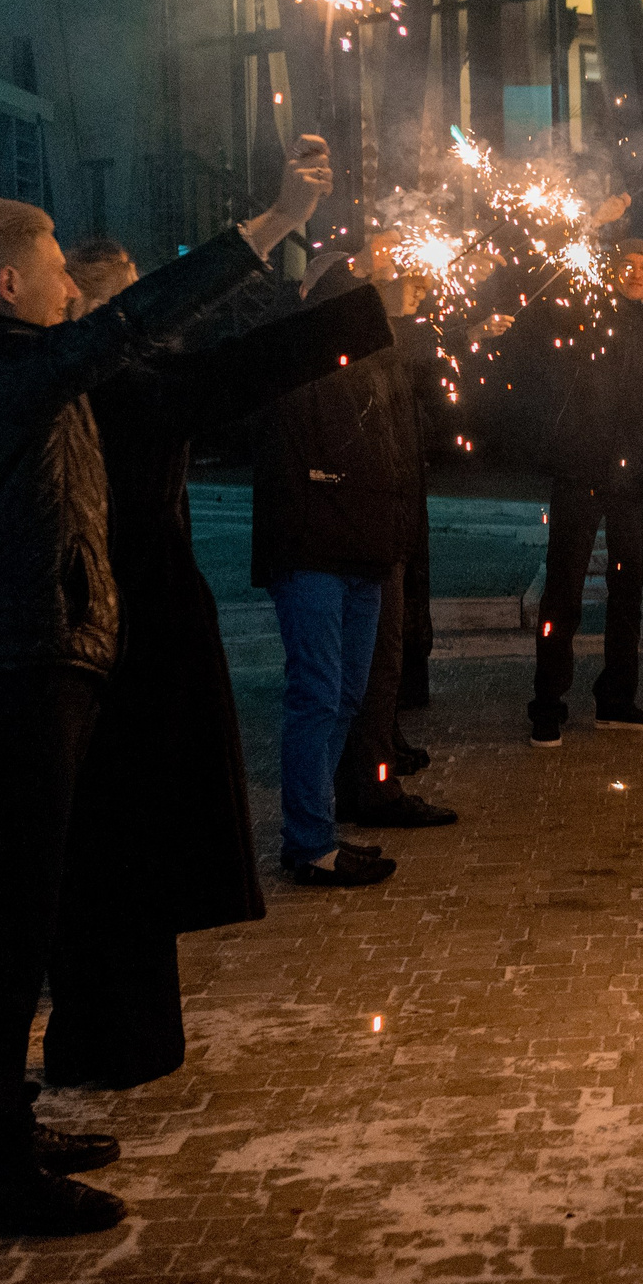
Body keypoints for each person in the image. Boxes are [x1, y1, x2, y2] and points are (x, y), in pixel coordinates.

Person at [0, 137, 331, 1236]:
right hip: (17, 665)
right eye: (52, 266)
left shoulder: (9, 365)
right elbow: (135, 324)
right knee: (8, 920)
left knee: (26, 906)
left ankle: (2, 1124)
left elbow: (165, 368)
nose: (72, 286)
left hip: (39, 656)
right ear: (8, 285)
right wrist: (271, 222)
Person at [45, 240, 393, 1093]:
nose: (154, 320)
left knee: (119, 843)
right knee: (112, 842)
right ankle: (107, 1041)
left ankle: (126, 1033)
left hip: (115, 624)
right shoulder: (108, 384)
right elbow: (237, 370)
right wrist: (283, 242)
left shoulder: (99, 378)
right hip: (110, 632)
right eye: (137, 303)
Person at [250, 253, 429, 890]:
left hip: (364, 554)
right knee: (318, 695)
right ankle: (307, 840)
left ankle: (317, 828)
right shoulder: (297, 365)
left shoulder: (376, 367)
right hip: (310, 555)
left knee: (348, 695)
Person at [504, 219, 643, 746]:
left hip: (635, 483)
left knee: (627, 591)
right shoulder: (585, 319)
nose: (636, 273)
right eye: (626, 264)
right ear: (609, 273)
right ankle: (547, 704)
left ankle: (617, 699)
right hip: (581, 472)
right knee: (563, 588)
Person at [332, 248, 458, 834]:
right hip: (369, 526)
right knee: (370, 669)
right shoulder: (355, 351)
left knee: (381, 666)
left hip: (394, 519)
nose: (408, 290)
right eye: (391, 283)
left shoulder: (385, 350)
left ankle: (370, 776)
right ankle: (370, 787)